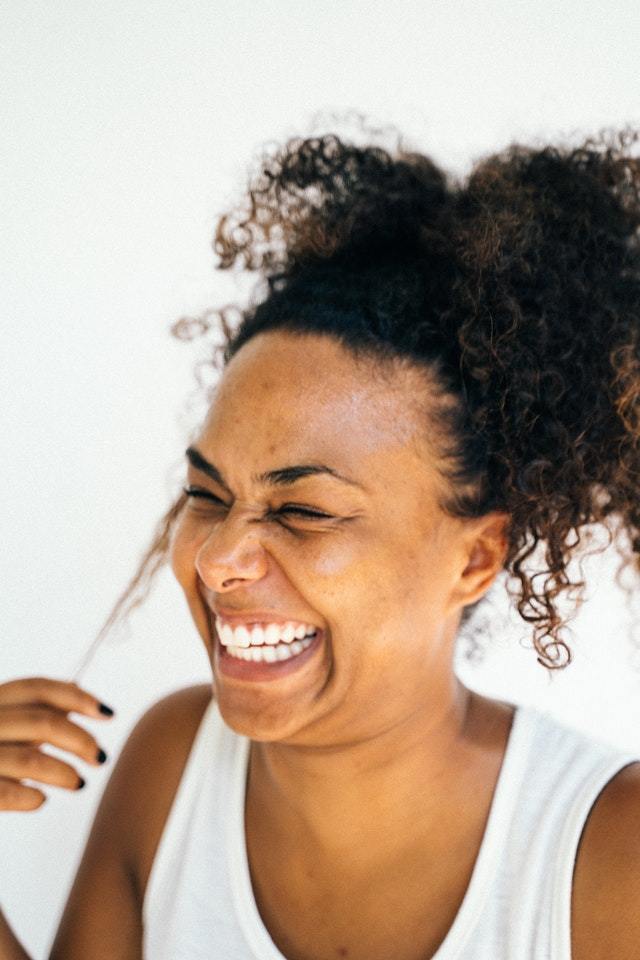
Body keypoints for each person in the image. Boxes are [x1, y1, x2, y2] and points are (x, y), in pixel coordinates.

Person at [2, 121, 640, 960]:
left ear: (476, 558)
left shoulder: (607, 856)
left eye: (302, 511)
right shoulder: (171, 768)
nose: (217, 558)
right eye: (207, 493)